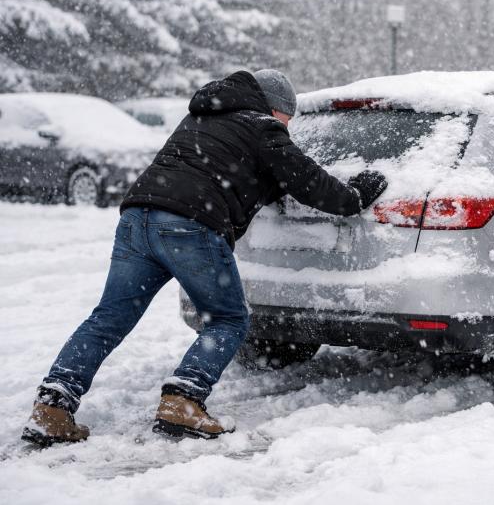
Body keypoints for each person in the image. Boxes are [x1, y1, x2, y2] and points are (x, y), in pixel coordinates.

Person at [21, 70, 388, 446]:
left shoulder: (200, 117)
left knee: (109, 318)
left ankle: (52, 408)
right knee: (229, 319)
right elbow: (310, 181)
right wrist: (354, 196)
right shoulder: (263, 126)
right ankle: (184, 398)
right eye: (286, 118)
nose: (287, 127)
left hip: (138, 217)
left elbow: (229, 170)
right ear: (273, 108)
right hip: (190, 225)